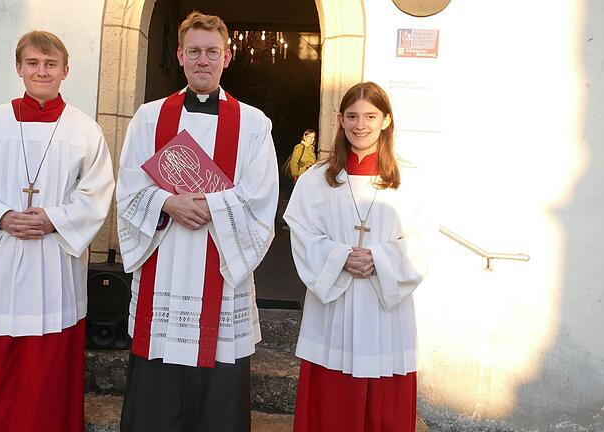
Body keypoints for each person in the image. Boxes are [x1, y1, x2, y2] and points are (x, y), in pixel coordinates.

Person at [116, 11, 279, 432]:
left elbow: (261, 196)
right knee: (158, 372)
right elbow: (129, 185)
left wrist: (210, 207)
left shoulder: (254, 124)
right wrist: (167, 203)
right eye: (194, 52)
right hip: (165, 259)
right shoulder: (149, 117)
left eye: (212, 52)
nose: (202, 60)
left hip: (220, 268)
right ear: (180, 56)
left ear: (227, 58)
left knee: (218, 378)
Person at [0, 31, 115, 432]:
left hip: (52, 260)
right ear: (19, 68)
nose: (42, 71)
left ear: (65, 70)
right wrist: (2, 217)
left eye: (51, 64)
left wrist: (53, 218)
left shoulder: (84, 131)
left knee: (47, 366)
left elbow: (96, 193)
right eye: (33, 63)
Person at [284, 82, 435, 432]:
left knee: (383, 405)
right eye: (352, 116)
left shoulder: (409, 180)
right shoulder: (317, 180)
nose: (360, 124)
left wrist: (380, 259)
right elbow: (301, 233)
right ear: (340, 119)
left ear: (386, 120)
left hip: (386, 311)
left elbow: (423, 239)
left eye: (370, 116)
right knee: (331, 402)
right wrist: (339, 256)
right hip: (333, 307)